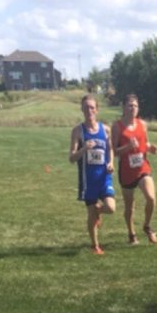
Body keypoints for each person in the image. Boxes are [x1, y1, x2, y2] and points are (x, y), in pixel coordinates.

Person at [69, 94, 116, 254]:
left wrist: (111, 163)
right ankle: (95, 245)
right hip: (87, 180)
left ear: (97, 109)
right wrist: (83, 148)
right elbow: (71, 158)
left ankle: (98, 211)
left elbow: (110, 149)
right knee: (90, 214)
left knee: (110, 207)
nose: (89, 110)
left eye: (92, 107)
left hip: (103, 177)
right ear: (81, 109)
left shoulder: (106, 129)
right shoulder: (77, 131)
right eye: (86, 107)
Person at [112, 94, 157, 245]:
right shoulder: (117, 126)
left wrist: (150, 148)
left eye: (135, 106)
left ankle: (147, 226)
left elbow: (145, 142)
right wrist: (127, 147)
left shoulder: (142, 124)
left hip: (142, 168)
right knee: (129, 207)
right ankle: (131, 234)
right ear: (124, 107)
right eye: (130, 105)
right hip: (126, 171)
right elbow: (113, 150)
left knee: (151, 198)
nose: (133, 108)